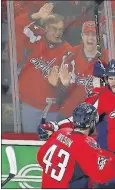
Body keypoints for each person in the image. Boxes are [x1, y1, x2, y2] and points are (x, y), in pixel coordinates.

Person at [38, 59, 115, 188]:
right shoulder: (102, 95)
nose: (113, 83)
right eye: (110, 78)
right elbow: (81, 117)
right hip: (114, 157)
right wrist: (56, 126)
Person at [37, 103, 115, 188]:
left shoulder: (61, 132)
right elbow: (101, 175)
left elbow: (40, 157)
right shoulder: (86, 143)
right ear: (92, 122)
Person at [15, 3, 74, 132]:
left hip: (52, 109)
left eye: (60, 29)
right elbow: (17, 25)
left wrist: (58, 84)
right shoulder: (36, 39)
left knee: (50, 143)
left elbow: (68, 84)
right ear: (45, 28)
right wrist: (37, 16)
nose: (58, 32)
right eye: (54, 28)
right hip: (29, 104)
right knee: (30, 143)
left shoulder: (68, 51)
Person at [59, 20, 108, 119]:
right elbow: (60, 90)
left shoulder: (106, 57)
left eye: (94, 34)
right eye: (87, 34)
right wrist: (64, 85)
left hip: (96, 111)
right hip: (71, 109)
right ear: (82, 35)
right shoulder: (72, 54)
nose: (90, 38)